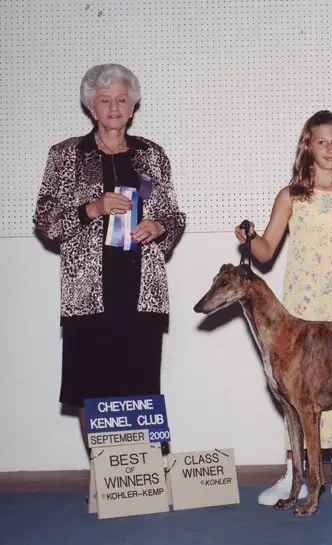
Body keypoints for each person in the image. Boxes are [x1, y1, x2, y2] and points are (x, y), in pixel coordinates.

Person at [33, 63, 186, 449]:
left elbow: (174, 215)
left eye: (122, 99)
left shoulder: (153, 154)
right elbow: (46, 221)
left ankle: (141, 479)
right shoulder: (66, 154)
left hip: (142, 291)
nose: (114, 107)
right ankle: (107, 476)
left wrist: (159, 227)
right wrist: (93, 208)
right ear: (91, 107)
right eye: (105, 100)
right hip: (87, 294)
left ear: (133, 106)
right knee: (91, 388)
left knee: (140, 385)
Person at [235, 110, 332, 505]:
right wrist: (249, 240)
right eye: (321, 141)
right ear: (308, 146)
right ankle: (293, 473)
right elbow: (265, 251)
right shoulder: (291, 196)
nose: (330, 148)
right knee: (296, 393)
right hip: (298, 311)